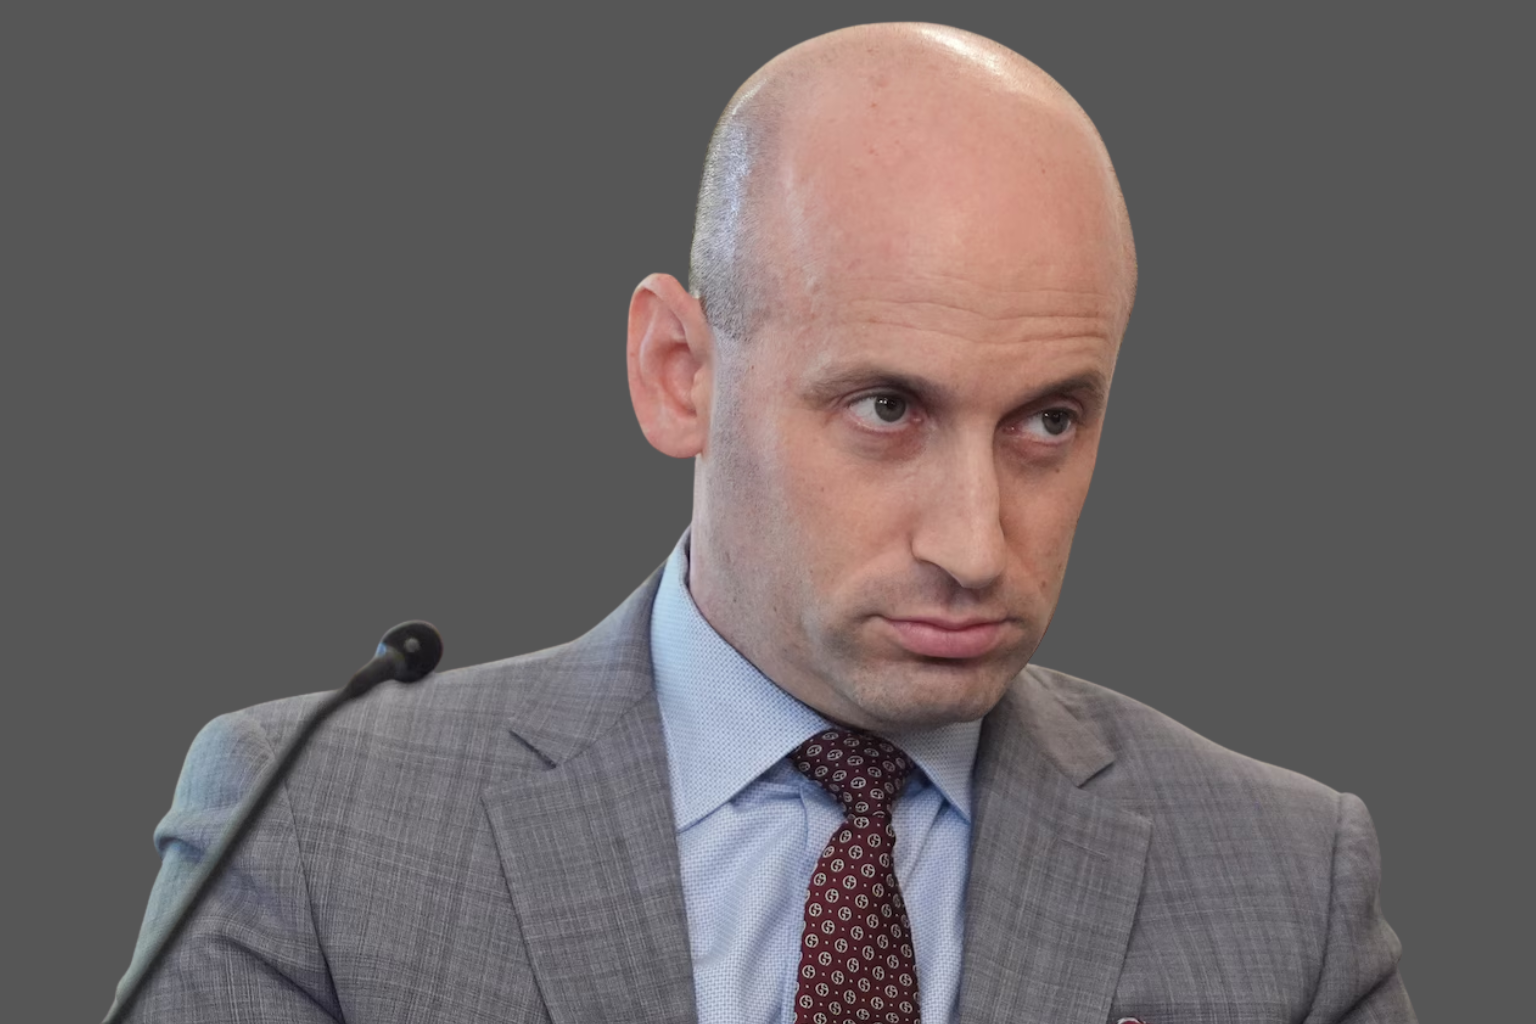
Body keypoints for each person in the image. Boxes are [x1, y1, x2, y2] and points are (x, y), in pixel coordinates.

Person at [111, 22, 1414, 1024]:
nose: (975, 546)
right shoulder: (311, 828)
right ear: (679, 372)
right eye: (888, 407)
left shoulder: (1288, 885)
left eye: (1048, 421)